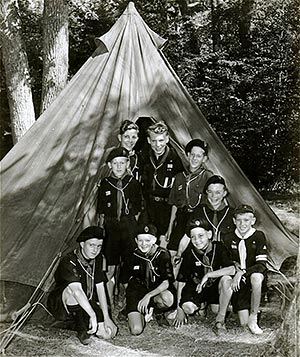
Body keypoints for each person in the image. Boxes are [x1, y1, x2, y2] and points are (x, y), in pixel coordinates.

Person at [47, 226, 118, 345]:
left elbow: (100, 287)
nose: (95, 250)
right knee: (72, 292)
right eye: (91, 245)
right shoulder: (69, 260)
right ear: (81, 244)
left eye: (99, 246)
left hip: (86, 301)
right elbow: (77, 291)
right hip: (62, 302)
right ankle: (80, 328)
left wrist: (107, 317)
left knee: (107, 334)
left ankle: (71, 323)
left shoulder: (98, 258)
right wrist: (93, 315)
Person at [97, 147, 143, 309]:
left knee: (129, 264)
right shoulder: (105, 183)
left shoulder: (133, 183)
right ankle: (109, 301)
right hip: (111, 229)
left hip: (128, 227)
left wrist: (132, 227)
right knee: (110, 266)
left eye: (122, 163)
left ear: (127, 164)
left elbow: (137, 209)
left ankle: (126, 297)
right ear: (110, 165)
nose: (118, 167)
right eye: (115, 163)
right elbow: (101, 211)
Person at [173, 218, 235, 334]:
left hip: (214, 287)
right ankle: (201, 305)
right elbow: (181, 281)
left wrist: (208, 275)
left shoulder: (219, 247)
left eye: (201, 235)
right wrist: (179, 309)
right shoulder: (189, 253)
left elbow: (232, 269)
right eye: (193, 237)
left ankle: (220, 321)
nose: (197, 240)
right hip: (197, 288)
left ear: (210, 234)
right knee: (188, 308)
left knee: (227, 280)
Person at [119, 223, 176, 335]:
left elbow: (166, 282)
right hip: (137, 291)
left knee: (168, 299)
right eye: (140, 240)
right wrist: (131, 299)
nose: (143, 244)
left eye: (147, 240)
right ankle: (133, 311)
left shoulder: (163, 254)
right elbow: (124, 281)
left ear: (154, 240)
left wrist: (149, 296)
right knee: (136, 330)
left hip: (155, 292)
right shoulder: (131, 255)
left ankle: (156, 312)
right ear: (136, 240)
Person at [166, 139, 213, 261]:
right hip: (181, 218)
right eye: (192, 155)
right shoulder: (179, 176)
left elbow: (212, 201)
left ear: (204, 159)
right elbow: (174, 204)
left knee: (190, 252)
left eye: (199, 156)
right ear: (187, 155)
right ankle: (173, 279)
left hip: (198, 218)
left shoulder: (207, 176)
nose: (195, 159)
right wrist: (170, 227)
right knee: (172, 250)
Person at [223, 204, 268, 334]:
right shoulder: (228, 237)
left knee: (256, 277)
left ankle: (254, 316)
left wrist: (242, 272)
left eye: (246, 220)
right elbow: (225, 260)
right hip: (239, 282)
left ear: (253, 221)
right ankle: (240, 308)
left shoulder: (259, 236)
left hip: (252, 276)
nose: (242, 224)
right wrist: (236, 269)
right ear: (234, 221)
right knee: (243, 324)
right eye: (239, 220)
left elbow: (261, 264)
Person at [173, 175, 235, 265]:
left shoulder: (232, 213)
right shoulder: (199, 210)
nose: (213, 196)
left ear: (224, 193)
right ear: (206, 192)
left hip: (225, 259)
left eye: (218, 192)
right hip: (201, 258)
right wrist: (179, 253)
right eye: (210, 192)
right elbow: (187, 236)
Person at [141, 121, 184, 243]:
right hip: (149, 206)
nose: (157, 145)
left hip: (167, 208)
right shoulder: (145, 156)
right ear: (149, 140)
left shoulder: (175, 158)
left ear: (167, 139)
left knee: (164, 242)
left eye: (161, 140)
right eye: (154, 141)